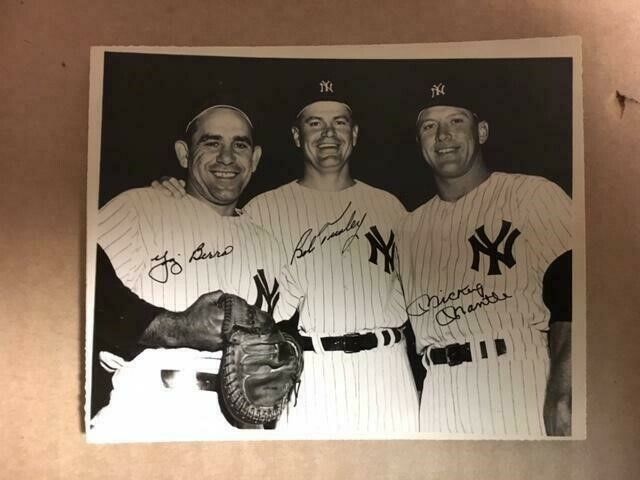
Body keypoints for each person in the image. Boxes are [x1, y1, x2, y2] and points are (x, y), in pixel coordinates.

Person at [155, 80, 421, 433]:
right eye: (314, 123)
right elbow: (208, 238)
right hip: (309, 375)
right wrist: (172, 194)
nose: (328, 134)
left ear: (354, 134)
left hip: (389, 369)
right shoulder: (262, 210)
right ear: (297, 136)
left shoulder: (391, 207)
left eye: (339, 122)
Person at [90, 104, 296, 441]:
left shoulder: (270, 242)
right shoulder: (140, 208)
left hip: (247, 420)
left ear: (255, 159)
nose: (227, 157)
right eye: (212, 143)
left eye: (240, 145)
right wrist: (174, 327)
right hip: (154, 408)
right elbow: (76, 283)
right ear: (184, 154)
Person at [395, 79, 573, 436]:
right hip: (439, 395)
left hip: (517, 379)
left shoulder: (531, 194)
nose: (443, 136)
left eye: (456, 121)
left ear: (483, 131)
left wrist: (563, 389)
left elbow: (575, 295)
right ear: (420, 144)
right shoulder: (408, 228)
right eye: (430, 127)